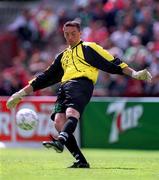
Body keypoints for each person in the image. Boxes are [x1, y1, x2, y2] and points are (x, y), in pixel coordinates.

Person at [6, 20, 152, 168]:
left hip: (81, 84)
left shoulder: (89, 48)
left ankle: (60, 141)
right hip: (64, 88)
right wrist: (19, 93)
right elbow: (44, 77)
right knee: (58, 122)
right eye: (67, 34)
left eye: (73, 34)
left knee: (71, 113)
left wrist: (135, 74)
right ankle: (81, 161)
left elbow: (114, 62)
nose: (70, 37)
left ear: (80, 33)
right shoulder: (62, 56)